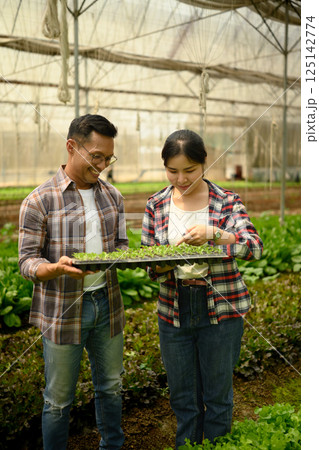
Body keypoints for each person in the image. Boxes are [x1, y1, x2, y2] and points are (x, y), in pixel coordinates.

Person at [141, 129, 263, 449]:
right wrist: (168, 259)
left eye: (190, 170)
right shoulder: (156, 204)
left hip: (221, 306)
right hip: (174, 307)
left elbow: (254, 247)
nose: (181, 179)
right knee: (183, 399)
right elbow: (149, 264)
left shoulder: (227, 201)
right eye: (172, 170)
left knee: (218, 397)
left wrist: (215, 233)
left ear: (204, 165)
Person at [19, 114, 128, 450]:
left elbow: (121, 245)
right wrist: (55, 269)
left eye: (108, 158)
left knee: (110, 387)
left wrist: (123, 257)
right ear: (71, 147)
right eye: (96, 156)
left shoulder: (113, 196)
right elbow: (26, 262)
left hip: (106, 306)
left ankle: (112, 445)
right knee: (59, 399)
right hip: (63, 309)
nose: (103, 165)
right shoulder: (39, 201)